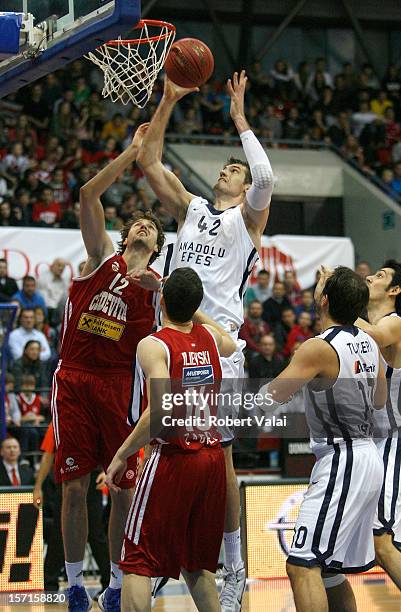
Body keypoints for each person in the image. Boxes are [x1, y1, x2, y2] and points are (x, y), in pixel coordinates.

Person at [137, 70, 274, 609]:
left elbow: (265, 177)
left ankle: (235, 565)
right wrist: (169, 98)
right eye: (228, 164)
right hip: (171, 336)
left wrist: (240, 120)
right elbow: (149, 162)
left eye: (236, 168)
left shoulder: (250, 220)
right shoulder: (192, 208)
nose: (231, 169)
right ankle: (153, 558)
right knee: (162, 446)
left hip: (218, 345)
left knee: (218, 460)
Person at [52, 123, 165, 612]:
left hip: (122, 387)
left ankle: (117, 584)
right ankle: (76, 583)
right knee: (75, 489)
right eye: (137, 222)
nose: (143, 225)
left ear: (159, 244)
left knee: (121, 491)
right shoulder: (100, 257)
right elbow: (87, 193)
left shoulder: (159, 286)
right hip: (75, 378)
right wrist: (132, 153)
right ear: (126, 235)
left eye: (151, 226)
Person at [105, 267, 237, 612]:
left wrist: (121, 454)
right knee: (195, 564)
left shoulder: (154, 343)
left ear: (162, 300)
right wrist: (189, 302)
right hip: (211, 458)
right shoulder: (210, 339)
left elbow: (162, 410)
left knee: (135, 560)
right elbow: (229, 338)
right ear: (195, 306)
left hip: (174, 457)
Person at [263, 266, 386, 612]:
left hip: (342, 461)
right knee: (330, 571)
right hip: (366, 456)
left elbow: (273, 395)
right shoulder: (370, 343)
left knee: (301, 565)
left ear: (325, 301)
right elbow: (378, 401)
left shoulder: (317, 347)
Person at [355, 260, 401, 589]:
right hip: (372, 445)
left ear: (395, 290)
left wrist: (335, 303)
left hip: (393, 443)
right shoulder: (358, 332)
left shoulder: (395, 322)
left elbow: (374, 335)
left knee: (382, 541)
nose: (370, 277)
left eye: (380, 276)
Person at [33, 423, 110, 595]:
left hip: (92, 479)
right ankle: (49, 584)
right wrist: (38, 487)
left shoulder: (95, 415)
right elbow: (48, 455)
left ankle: (109, 584)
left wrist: (108, 470)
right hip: (66, 478)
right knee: (61, 532)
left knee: (95, 534)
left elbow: (110, 446)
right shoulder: (58, 420)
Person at [37, 258, 69, 326]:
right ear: (52, 266)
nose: (61, 268)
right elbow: (44, 299)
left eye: (63, 267)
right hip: (46, 310)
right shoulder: (43, 278)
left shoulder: (64, 281)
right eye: (59, 265)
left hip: (58, 312)